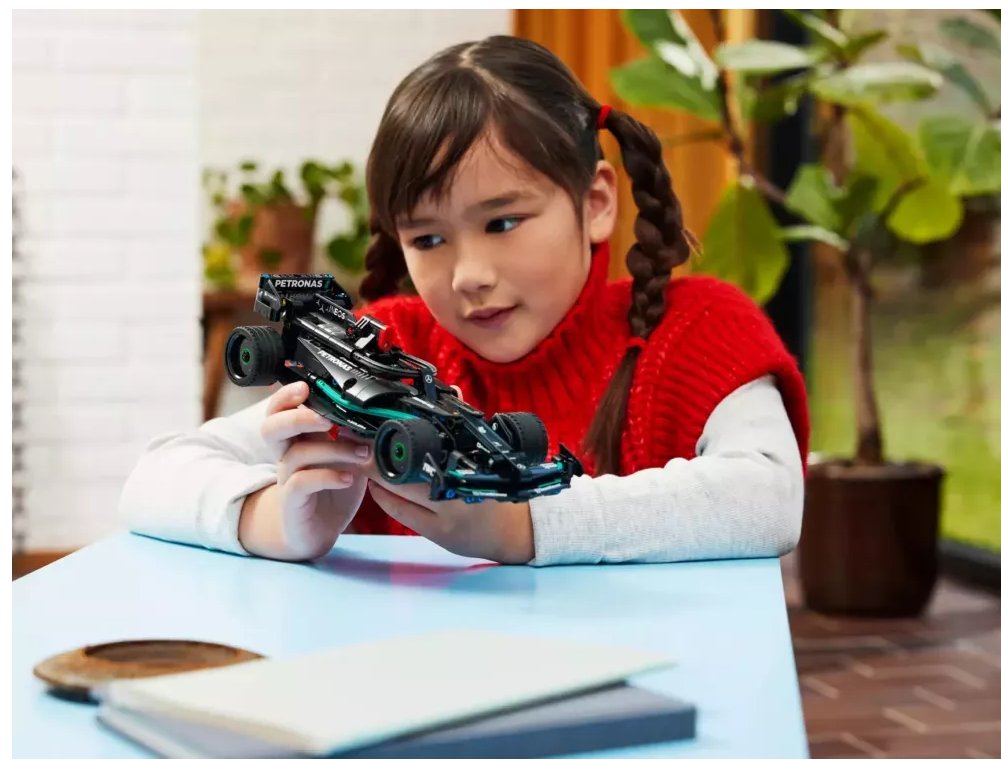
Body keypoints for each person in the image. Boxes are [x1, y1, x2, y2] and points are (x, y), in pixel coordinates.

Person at [120, 35, 809, 567]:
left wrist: (520, 524)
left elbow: (767, 498)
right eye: (428, 238)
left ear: (596, 202)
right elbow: (153, 478)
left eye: (503, 222)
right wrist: (274, 519)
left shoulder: (695, 329)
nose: (468, 275)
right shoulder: (386, 346)